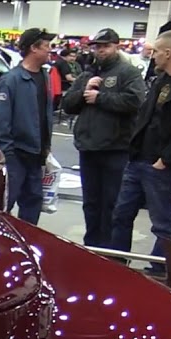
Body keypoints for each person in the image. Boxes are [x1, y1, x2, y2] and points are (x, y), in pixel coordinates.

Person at [107, 30, 171, 271]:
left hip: (161, 165)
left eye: (156, 52)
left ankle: (159, 268)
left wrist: (166, 160)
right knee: (121, 214)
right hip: (138, 159)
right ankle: (117, 262)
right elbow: (147, 116)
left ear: (168, 53)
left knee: (161, 223)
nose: (152, 56)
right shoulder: (160, 80)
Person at [61, 28, 146, 250]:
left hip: (115, 149)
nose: (101, 51)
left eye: (105, 46)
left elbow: (135, 101)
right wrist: (83, 92)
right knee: (90, 203)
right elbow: (68, 105)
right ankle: (92, 246)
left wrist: (101, 98)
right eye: (97, 47)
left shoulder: (128, 73)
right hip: (88, 149)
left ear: (116, 46)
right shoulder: (87, 75)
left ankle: (112, 251)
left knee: (113, 204)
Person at [0, 28, 56, 225]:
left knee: (32, 206)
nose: (50, 51)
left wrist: (45, 149)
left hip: (36, 157)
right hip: (16, 157)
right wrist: (7, 155)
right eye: (46, 47)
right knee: (3, 207)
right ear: (34, 48)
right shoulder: (11, 81)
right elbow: (0, 122)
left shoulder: (44, 77)